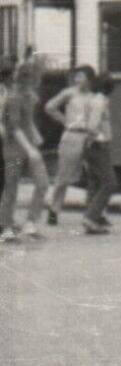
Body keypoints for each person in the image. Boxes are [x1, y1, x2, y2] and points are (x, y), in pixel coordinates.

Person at [1, 62, 51, 241]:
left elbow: (27, 120)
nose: (37, 81)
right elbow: (14, 127)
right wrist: (30, 149)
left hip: (28, 143)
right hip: (14, 146)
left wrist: (35, 135)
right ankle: (6, 227)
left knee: (42, 182)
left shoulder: (29, 96)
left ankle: (30, 222)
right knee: (12, 186)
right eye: (34, 78)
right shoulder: (13, 98)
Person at [44, 64, 97, 225]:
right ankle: (54, 209)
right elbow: (50, 107)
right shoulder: (69, 93)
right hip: (72, 136)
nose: (76, 79)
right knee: (64, 175)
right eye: (76, 76)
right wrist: (65, 120)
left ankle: (92, 212)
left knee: (93, 174)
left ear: (89, 79)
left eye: (80, 76)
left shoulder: (94, 95)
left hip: (89, 137)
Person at [80, 74, 117, 235]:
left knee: (95, 182)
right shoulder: (99, 102)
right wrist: (101, 138)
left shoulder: (95, 100)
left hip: (92, 146)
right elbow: (91, 126)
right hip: (97, 146)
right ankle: (91, 217)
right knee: (109, 182)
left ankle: (94, 218)